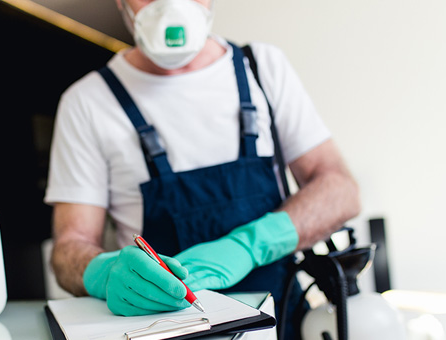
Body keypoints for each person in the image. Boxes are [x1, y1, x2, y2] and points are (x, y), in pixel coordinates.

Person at [45, 0, 360, 338]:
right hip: (163, 329)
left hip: (281, 322)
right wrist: (102, 273)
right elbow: (68, 249)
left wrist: (249, 245)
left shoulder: (262, 67)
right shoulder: (88, 102)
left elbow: (340, 189)